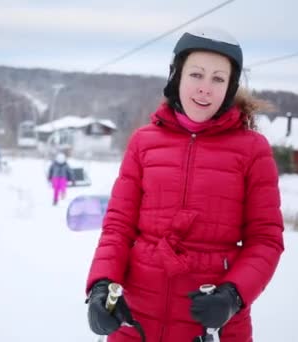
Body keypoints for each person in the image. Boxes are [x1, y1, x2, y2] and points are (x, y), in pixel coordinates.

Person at [85, 28, 284, 342]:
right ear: (176, 76)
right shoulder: (143, 142)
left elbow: (266, 240)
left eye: (218, 79)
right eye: (196, 74)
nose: (205, 89)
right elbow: (118, 227)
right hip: (135, 323)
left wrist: (232, 296)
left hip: (213, 326)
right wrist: (100, 287)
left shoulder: (253, 150)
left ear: (230, 87)